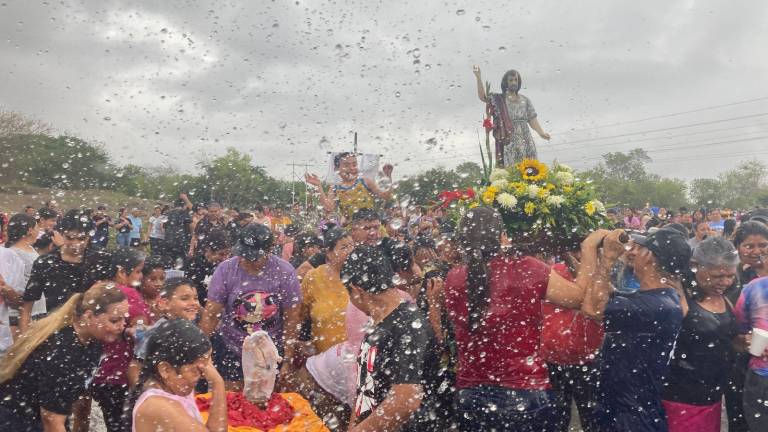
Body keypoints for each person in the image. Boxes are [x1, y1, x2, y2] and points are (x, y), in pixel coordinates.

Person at [444, 207, 603, 431]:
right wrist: (588, 250)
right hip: (524, 392)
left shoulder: (454, 277)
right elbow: (578, 298)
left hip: (471, 395)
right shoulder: (527, 268)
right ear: (502, 237)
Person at [581, 227, 692, 432]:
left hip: (630, 416)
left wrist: (607, 259)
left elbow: (592, 308)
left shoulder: (655, 306)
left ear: (649, 256)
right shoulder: (663, 298)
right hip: (632, 408)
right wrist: (589, 254)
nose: (633, 253)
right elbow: (607, 294)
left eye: (640, 249)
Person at [0, 283, 128, 431]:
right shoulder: (63, 351)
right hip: (16, 419)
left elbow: (79, 397)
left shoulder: (92, 342)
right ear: (88, 315)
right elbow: (51, 421)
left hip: (32, 415)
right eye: (114, 320)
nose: (122, 326)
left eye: (124, 319)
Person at [343, 245, 439, 432]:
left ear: (356, 289)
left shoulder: (409, 325)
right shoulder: (375, 328)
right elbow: (364, 394)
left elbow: (405, 400)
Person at [199, 223, 302, 391]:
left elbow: (291, 319)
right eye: (243, 255)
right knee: (232, 400)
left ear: (269, 250)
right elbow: (211, 316)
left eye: (253, 257)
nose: (246, 261)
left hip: (269, 351)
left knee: (264, 400)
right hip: (232, 348)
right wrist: (201, 353)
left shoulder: (284, 272)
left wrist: (288, 359)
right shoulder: (226, 270)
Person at [662, 237, 739, 432]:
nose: (725, 282)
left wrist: (744, 343)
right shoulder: (679, 296)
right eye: (717, 276)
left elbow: (725, 339)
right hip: (681, 397)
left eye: (730, 276)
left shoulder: (724, 297)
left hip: (711, 397)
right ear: (695, 266)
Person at [131, 319, 227, 432]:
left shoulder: (174, 385)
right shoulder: (158, 406)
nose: (204, 375)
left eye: (207, 365)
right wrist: (218, 382)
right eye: (198, 369)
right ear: (165, 370)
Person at [91, 247, 149, 432]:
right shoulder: (128, 294)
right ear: (121, 271)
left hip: (99, 371)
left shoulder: (96, 288)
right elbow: (142, 331)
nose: (141, 277)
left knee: (111, 422)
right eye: (138, 271)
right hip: (122, 372)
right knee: (126, 424)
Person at [724, 219, 768, 432]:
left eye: (762, 245)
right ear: (738, 248)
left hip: (762, 364)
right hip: (738, 359)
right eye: (749, 246)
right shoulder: (728, 276)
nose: (756, 251)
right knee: (740, 419)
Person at [20, 209, 93, 331]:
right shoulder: (46, 262)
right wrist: (24, 341)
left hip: (87, 331)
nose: (75, 244)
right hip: (51, 329)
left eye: (81, 239)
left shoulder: (97, 261)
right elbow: (27, 307)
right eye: (69, 238)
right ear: (61, 234)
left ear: (89, 238)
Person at [473, 66, 550, 166]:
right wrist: (478, 77)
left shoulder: (525, 100)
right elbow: (483, 97)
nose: (514, 82)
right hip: (509, 137)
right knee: (513, 166)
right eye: (511, 80)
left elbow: (532, 118)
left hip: (526, 137)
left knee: (532, 166)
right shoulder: (499, 99)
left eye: (516, 80)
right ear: (506, 83)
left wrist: (541, 132)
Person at [298, 228, 355, 355]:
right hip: (323, 358)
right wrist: (304, 340)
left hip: (355, 356)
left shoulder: (361, 276)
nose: (351, 251)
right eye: (344, 247)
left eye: (352, 245)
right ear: (329, 253)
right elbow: (301, 314)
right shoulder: (314, 277)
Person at [305, 152, 392, 221]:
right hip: (352, 229)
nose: (352, 168)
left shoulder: (366, 182)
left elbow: (385, 196)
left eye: (354, 165)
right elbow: (329, 208)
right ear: (336, 169)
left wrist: (388, 177)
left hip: (371, 225)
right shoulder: (336, 188)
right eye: (346, 165)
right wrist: (318, 186)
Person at [4, 214, 45, 335]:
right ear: (30, 230)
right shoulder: (14, 253)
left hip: (35, 309)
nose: (39, 230)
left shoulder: (29, 249)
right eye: (37, 227)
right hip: (20, 315)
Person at [185, 229, 231, 305]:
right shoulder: (194, 264)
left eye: (227, 254)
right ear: (208, 250)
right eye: (221, 254)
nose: (225, 258)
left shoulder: (227, 265)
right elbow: (190, 293)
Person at [164, 195, 193, 267]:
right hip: (181, 240)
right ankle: (180, 276)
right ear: (183, 205)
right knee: (182, 261)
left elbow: (164, 226)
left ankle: (170, 275)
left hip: (168, 240)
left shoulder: (167, 213)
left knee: (170, 261)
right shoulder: (183, 212)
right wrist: (192, 236)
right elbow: (190, 225)